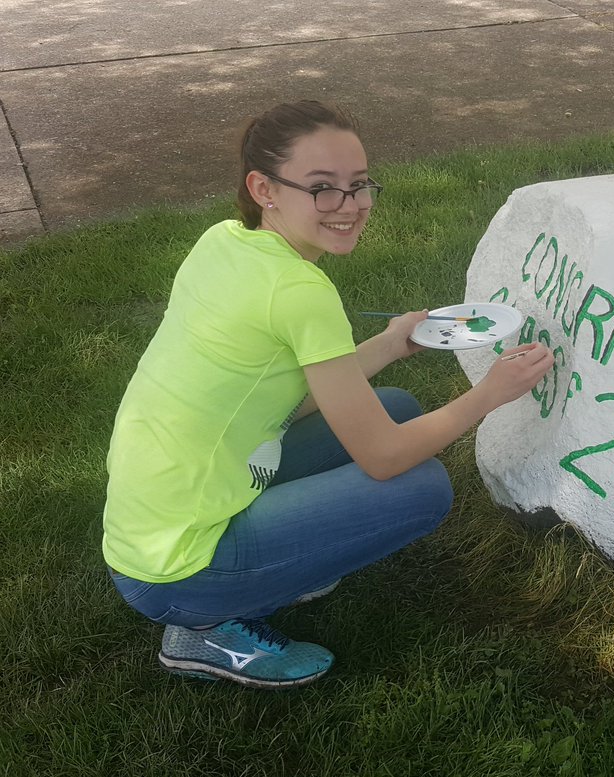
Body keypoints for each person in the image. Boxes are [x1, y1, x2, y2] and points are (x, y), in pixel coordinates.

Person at [102, 100, 552, 690]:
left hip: (152, 522)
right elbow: (383, 457)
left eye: (360, 185)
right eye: (323, 188)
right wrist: (490, 393)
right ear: (263, 187)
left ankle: (282, 562)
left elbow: (288, 395)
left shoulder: (226, 242)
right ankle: (207, 630)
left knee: (395, 407)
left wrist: (390, 343)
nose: (352, 205)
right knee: (421, 487)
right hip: (177, 571)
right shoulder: (299, 292)